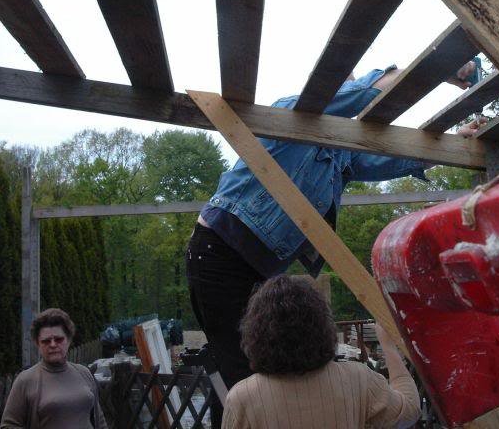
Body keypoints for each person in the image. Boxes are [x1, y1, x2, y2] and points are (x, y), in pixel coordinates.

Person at [187, 61, 476, 423]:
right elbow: (363, 92)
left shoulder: (341, 153)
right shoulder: (287, 115)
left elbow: (392, 159)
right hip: (219, 252)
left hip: (252, 268)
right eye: (340, 90)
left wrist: (456, 137)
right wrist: (441, 66)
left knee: (255, 371)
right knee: (244, 376)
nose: (346, 97)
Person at [221, 275, 420, 428]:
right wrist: (388, 345)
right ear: (323, 325)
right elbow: (409, 411)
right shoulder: (358, 379)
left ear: (255, 332)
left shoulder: (241, 398)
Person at [0, 308, 107, 429]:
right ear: (38, 344)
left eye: (58, 339)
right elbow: (8, 425)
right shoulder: (25, 380)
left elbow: (99, 420)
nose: (53, 344)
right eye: (46, 341)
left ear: (69, 340)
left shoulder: (84, 373)